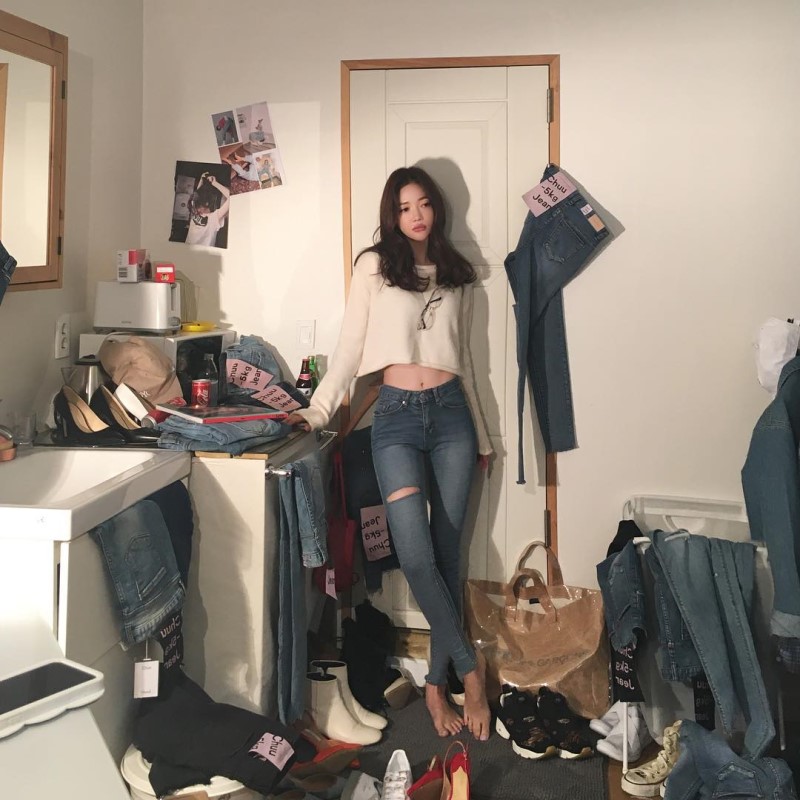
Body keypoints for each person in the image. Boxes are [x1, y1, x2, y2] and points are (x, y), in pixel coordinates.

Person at [286, 166, 492, 740]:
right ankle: (471, 673)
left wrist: (481, 435)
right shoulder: (374, 267)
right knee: (416, 555)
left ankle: (435, 684)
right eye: (404, 207)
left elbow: (467, 362)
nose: (416, 215)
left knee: (448, 557)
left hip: (452, 416)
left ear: (436, 209)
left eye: (424, 204)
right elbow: (350, 348)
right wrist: (319, 411)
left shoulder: (455, 274)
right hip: (396, 419)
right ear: (392, 215)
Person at [186, 173, 230, 247]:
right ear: (207, 203)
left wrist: (201, 179)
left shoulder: (194, 210)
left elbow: (196, 196)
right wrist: (215, 183)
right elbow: (231, 197)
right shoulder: (214, 218)